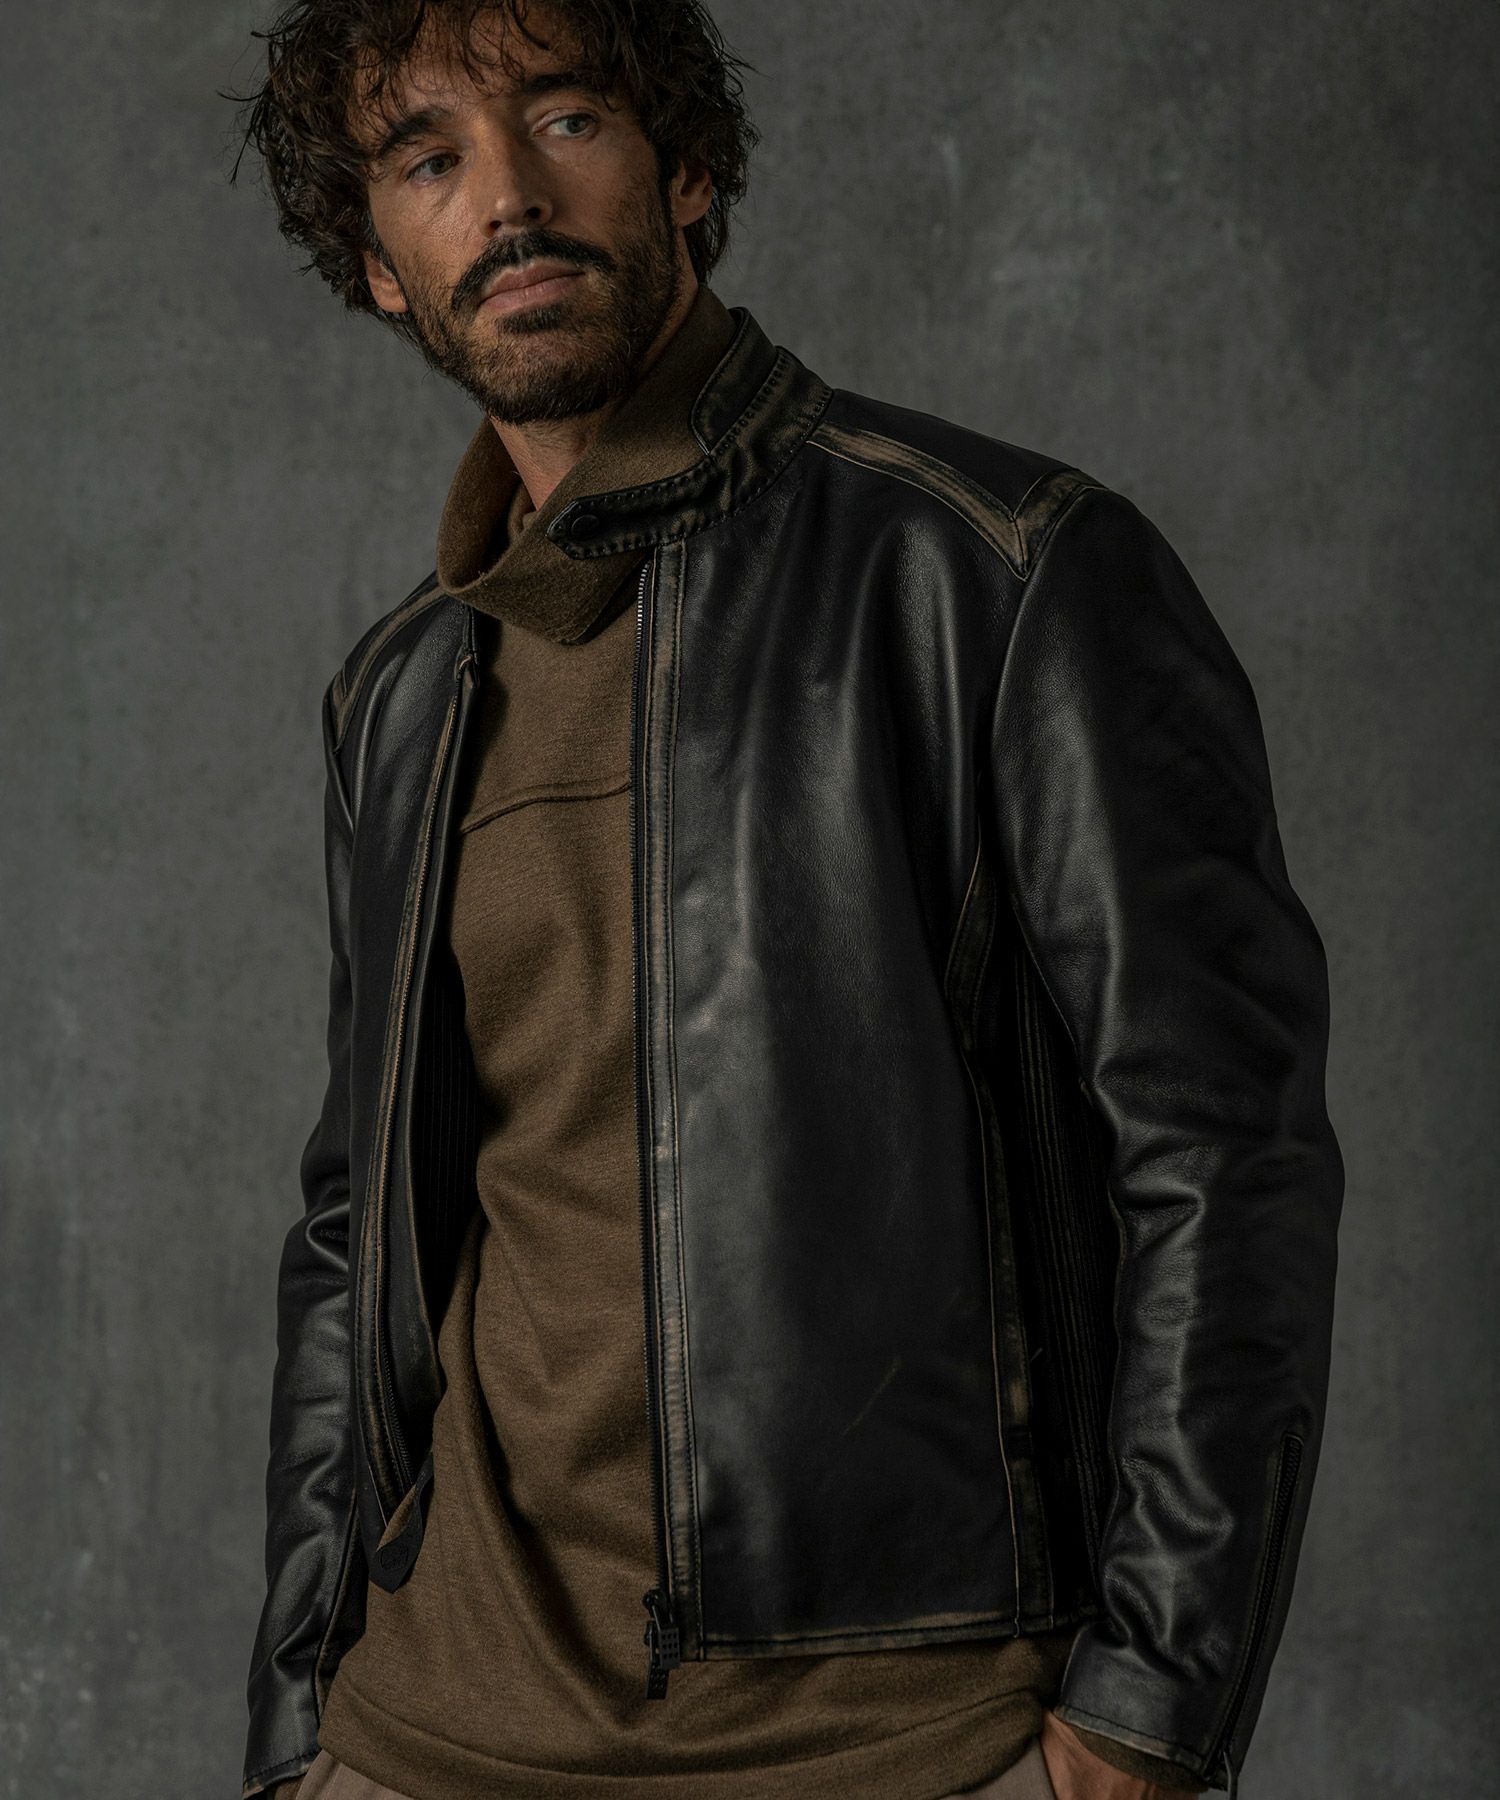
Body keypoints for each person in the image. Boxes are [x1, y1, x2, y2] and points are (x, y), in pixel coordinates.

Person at [230, 3, 1343, 1798]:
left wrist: (1150, 1707)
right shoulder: (403, 694)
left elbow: (1223, 1150)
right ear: (377, 263)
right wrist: (299, 1710)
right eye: (428, 159)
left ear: (688, 165)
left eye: (565, 118)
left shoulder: (1000, 575)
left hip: (893, 1741)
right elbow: (357, 1229)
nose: (505, 199)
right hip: (424, 1739)